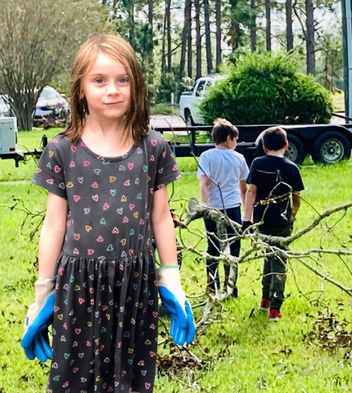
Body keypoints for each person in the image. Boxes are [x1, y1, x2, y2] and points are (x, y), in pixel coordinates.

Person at [21, 34, 195, 392]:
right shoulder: (62, 150)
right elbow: (53, 225)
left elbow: (160, 218)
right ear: (80, 88)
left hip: (137, 282)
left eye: (122, 79)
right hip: (78, 283)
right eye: (99, 80)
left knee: (130, 381)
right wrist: (44, 291)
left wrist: (172, 280)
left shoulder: (154, 147)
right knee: (75, 379)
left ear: (135, 84)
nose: (112, 89)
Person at [243, 127, 304, 321]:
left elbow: (251, 192)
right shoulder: (292, 167)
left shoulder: (257, 163)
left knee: (268, 257)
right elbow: (296, 197)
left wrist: (247, 219)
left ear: (264, 146)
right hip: (283, 220)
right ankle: (275, 308)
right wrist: (293, 215)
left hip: (262, 218)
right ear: (286, 145)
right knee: (279, 260)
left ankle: (265, 299)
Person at [197, 119, 249, 297]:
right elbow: (244, 188)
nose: (236, 143)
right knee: (233, 248)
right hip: (233, 207)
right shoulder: (239, 158)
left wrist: (204, 207)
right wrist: (246, 213)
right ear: (229, 138)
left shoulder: (206, 156)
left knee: (213, 247)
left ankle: (212, 285)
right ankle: (231, 286)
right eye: (235, 139)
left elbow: (204, 184)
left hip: (212, 208)